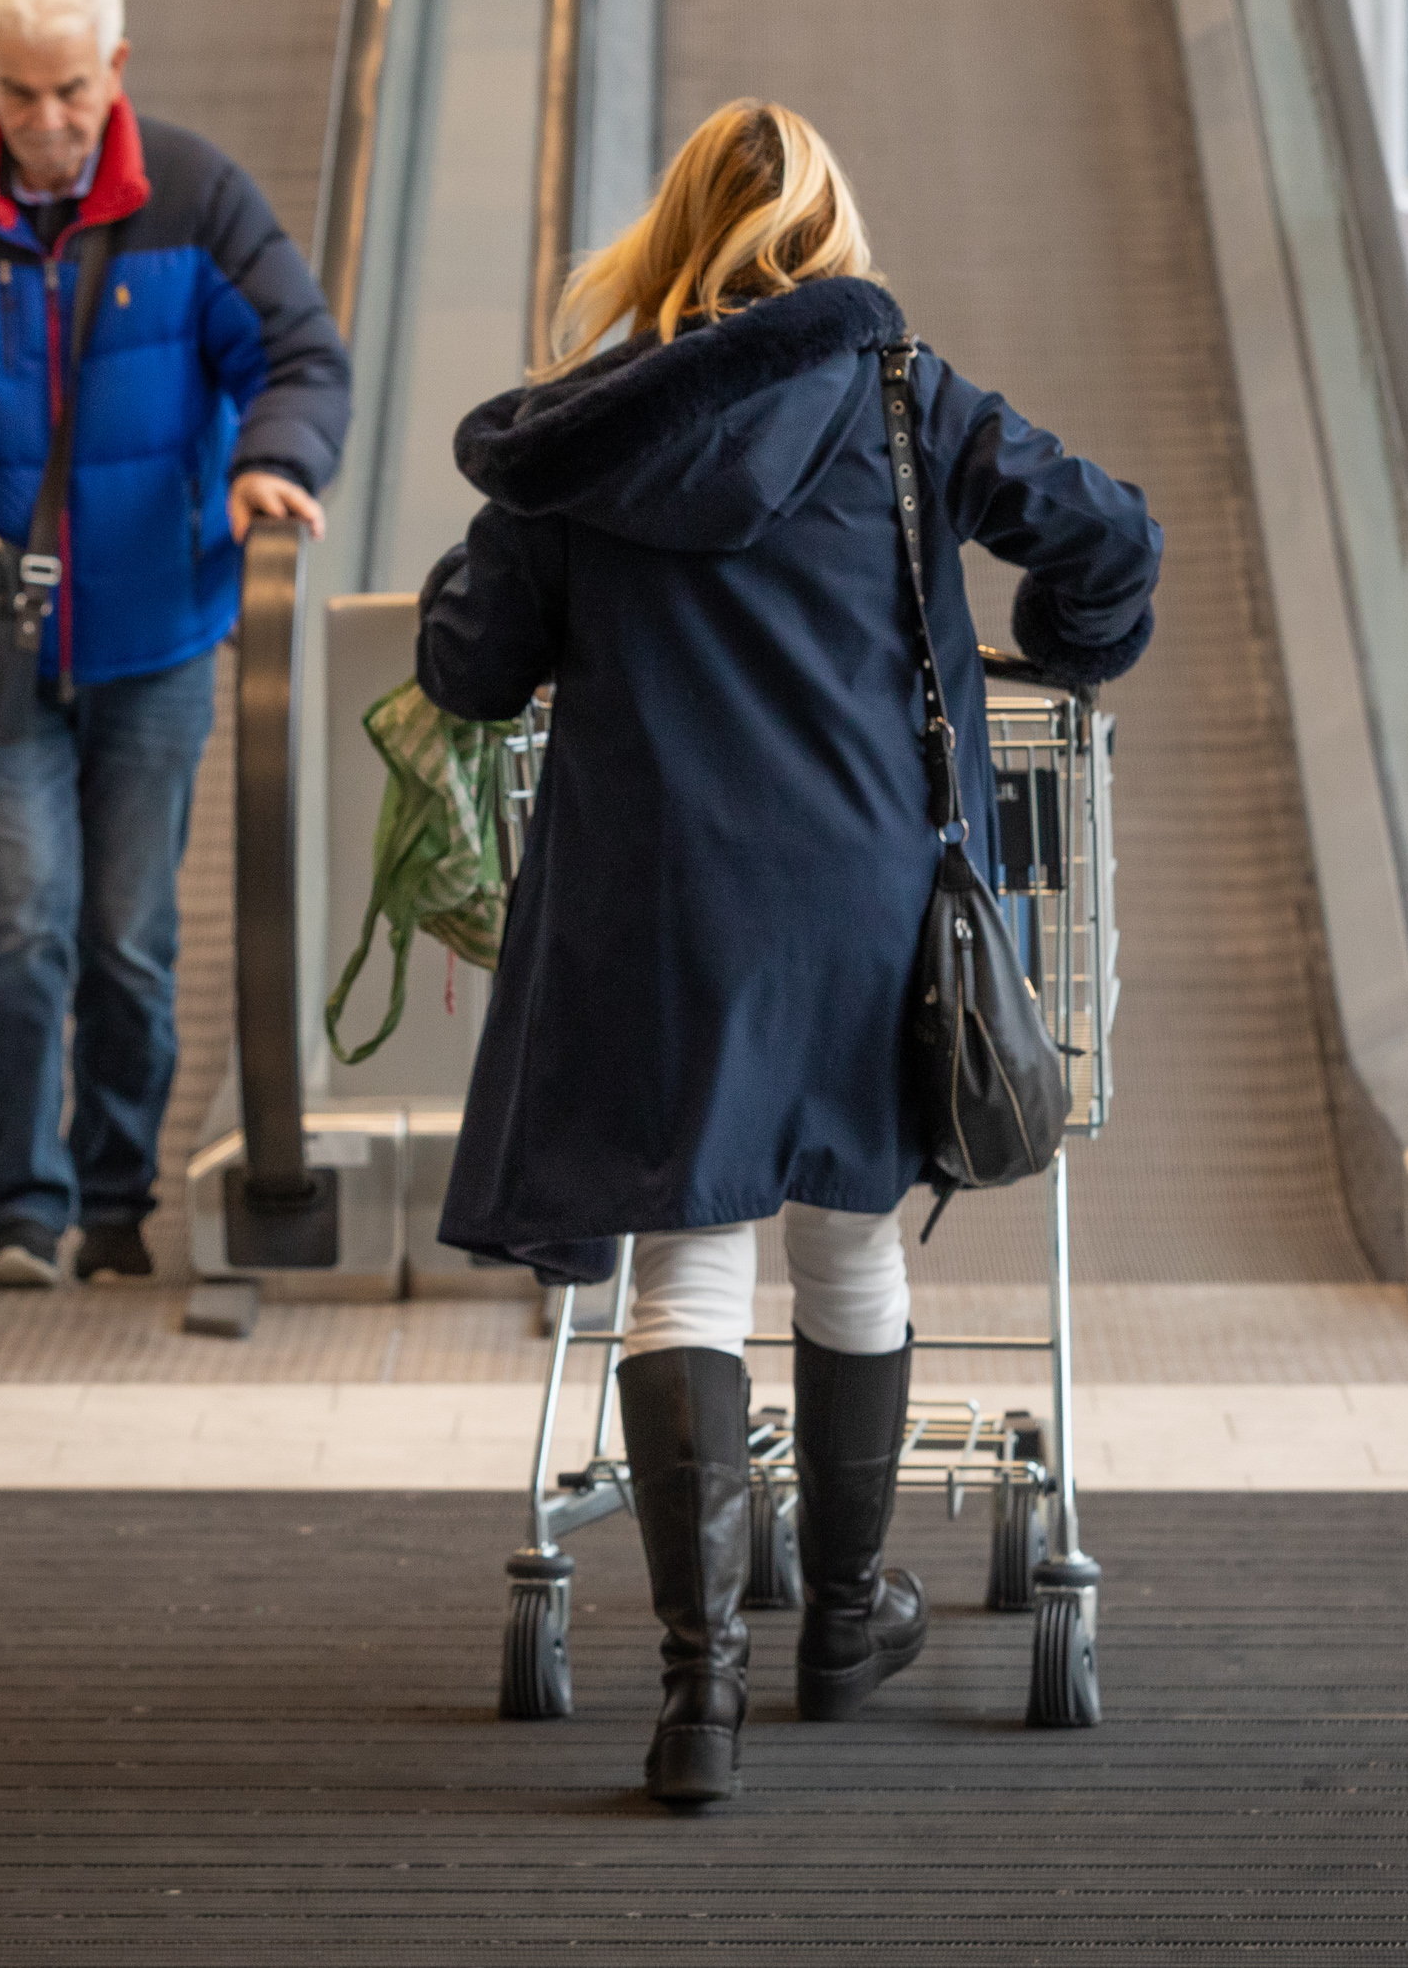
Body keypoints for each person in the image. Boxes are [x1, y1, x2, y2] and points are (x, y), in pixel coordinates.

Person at [416, 99, 1162, 1808]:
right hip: (866, 895)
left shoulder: (577, 439)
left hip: (653, 904)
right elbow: (1112, 539)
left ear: (672, 234)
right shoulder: (905, 396)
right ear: (830, 234)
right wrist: (1057, 641)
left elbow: (469, 664)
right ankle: (842, 1615)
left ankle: (702, 1697)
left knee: (682, 1266)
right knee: (848, 1237)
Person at [0, 0, 350, 1290]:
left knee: (130, 937)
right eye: (18, 91)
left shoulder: (196, 196)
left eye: (71, 88)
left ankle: (117, 1201)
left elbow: (300, 353)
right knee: (22, 921)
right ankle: (24, 1211)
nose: (47, 120)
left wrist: (271, 459)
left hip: (157, 630)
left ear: (117, 65)